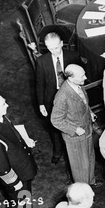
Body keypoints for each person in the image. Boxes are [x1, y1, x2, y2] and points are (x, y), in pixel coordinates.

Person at [0, 92, 39, 208]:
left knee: (25, 201)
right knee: (20, 204)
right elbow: (2, 167)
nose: (7, 105)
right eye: (3, 104)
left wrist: (25, 139)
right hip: (17, 177)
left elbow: (12, 131)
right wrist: (15, 183)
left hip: (22, 167)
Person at [51, 64, 103, 188]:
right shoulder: (62, 96)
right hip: (75, 137)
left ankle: (90, 182)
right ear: (71, 78)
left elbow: (83, 103)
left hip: (87, 130)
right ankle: (83, 191)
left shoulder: (79, 86)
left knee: (90, 159)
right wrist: (74, 129)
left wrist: (90, 112)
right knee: (80, 167)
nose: (85, 78)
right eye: (82, 76)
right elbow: (56, 120)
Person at [36, 32, 81, 165]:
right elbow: (39, 83)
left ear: (61, 43)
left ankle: (73, 149)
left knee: (72, 120)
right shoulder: (42, 61)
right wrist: (41, 103)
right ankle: (57, 150)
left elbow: (79, 76)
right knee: (54, 124)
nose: (54, 51)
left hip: (70, 94)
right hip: (51, 97)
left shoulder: (73, 56)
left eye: (56, 47)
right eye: (50, 48)